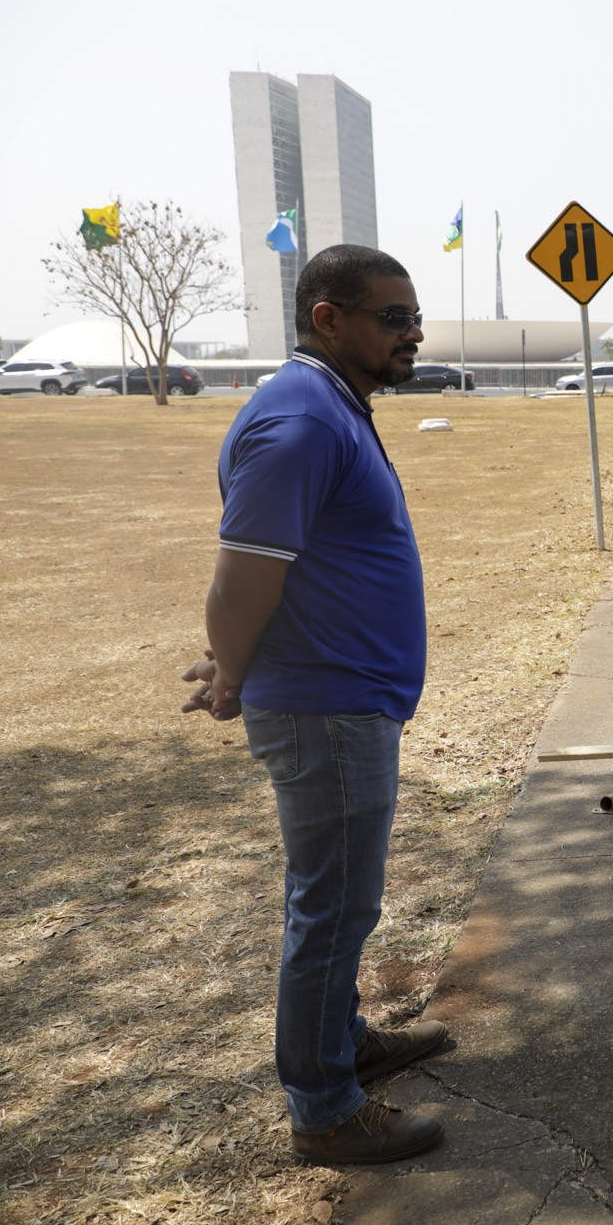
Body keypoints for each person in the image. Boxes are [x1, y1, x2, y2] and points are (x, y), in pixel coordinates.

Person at [179, 244, 447, 1164]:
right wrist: (229, 672)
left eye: (416, 319)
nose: (412, 334)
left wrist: (238, 665)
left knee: (343, 906)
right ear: (328, 319)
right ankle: (325, 1110)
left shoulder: (332, 404)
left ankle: (344, 1045)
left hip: (349, 701)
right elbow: (242, 577)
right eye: (393, 318)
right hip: (326, 711)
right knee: (331, 910)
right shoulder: (299, 421)